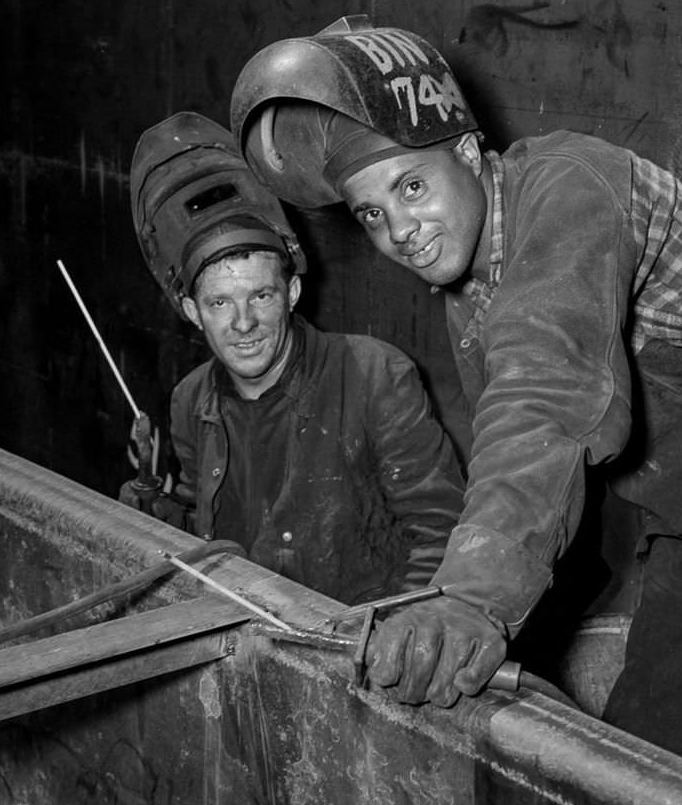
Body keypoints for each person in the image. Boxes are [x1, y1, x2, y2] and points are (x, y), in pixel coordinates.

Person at [228, 14, 682, 805]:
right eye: (371, 213)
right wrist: (473, 609)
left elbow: (545, 395)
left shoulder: (573, 186)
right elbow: (529, 460)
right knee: (652, 780)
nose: (400, 231)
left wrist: (473, 601)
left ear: (469, 154)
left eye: (411, 188)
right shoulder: (470, 295)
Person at [122, 110, 465, 607]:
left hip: (355, 635)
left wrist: (392, 631)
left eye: (261, 295)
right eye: (220, 303)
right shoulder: (191, 401)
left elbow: (441, 531)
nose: (243, 323)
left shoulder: (373, 376)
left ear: (293, 292)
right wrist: (155, 511)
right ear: (193, 311)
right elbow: (205, 528)